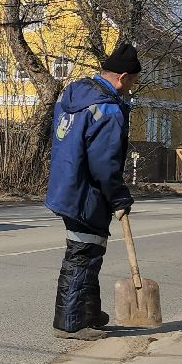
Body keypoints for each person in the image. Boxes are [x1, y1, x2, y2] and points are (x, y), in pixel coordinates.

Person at [44, 42, 142, 341]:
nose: (131, 88)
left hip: (65, 185)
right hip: (87, 192)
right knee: (82, 255)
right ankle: (70, 322)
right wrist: (119, 196)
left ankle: (89, 313)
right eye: (133, 82)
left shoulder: (74, 96)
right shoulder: (107, 108)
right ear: (123, 77)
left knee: (90, 250)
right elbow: (104, 163)